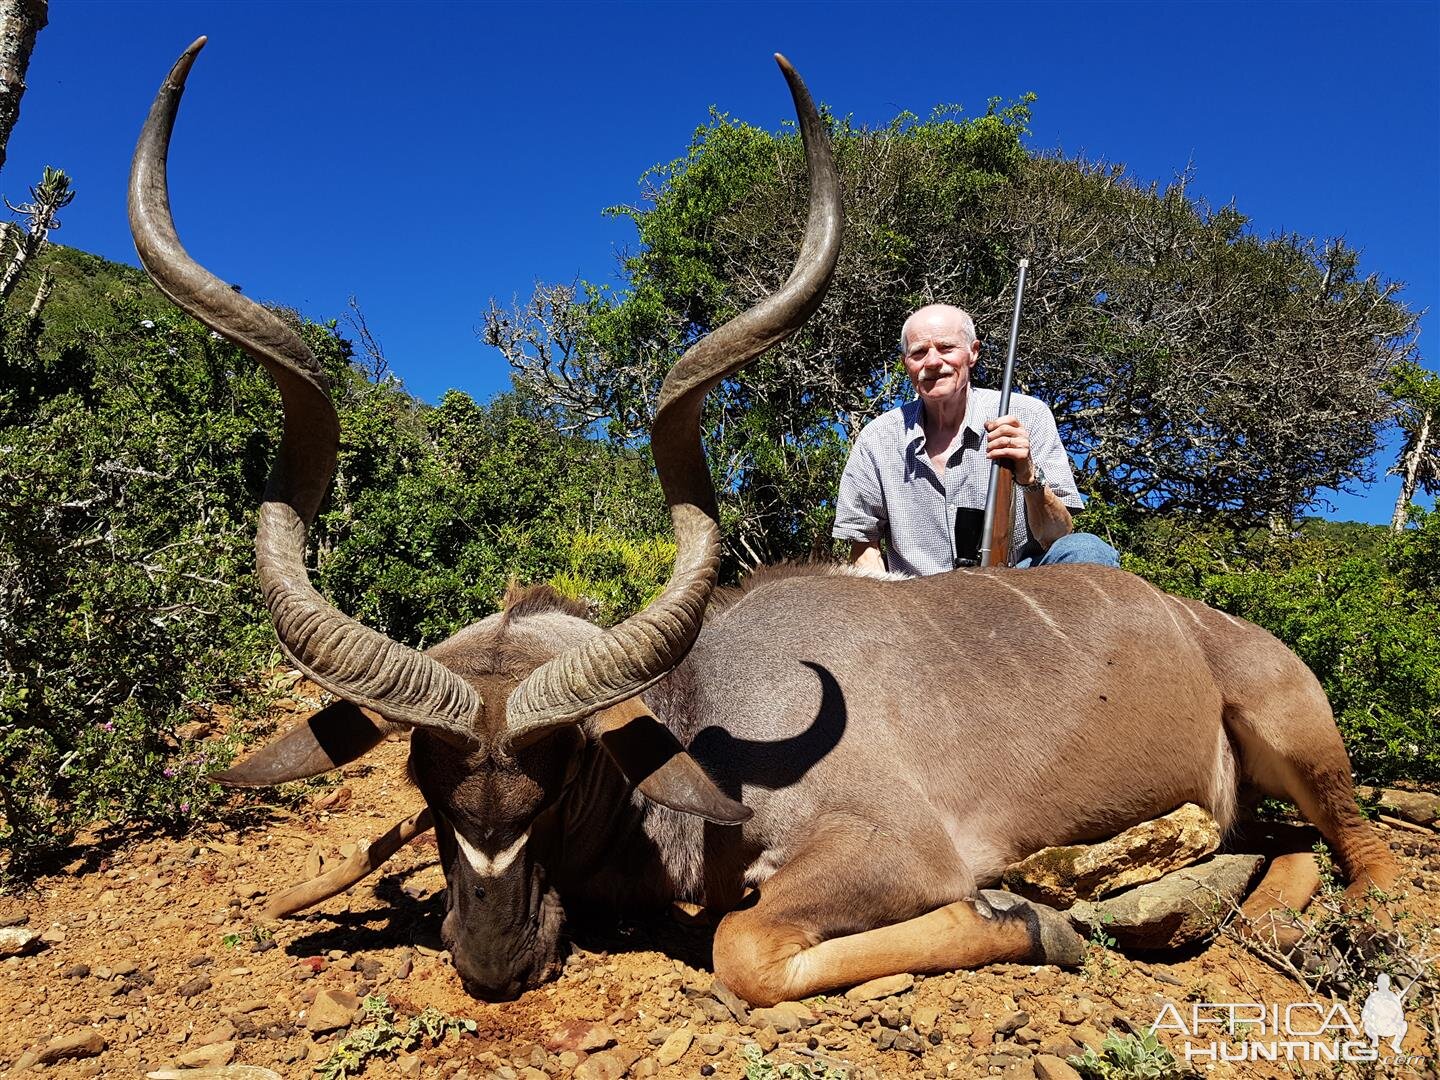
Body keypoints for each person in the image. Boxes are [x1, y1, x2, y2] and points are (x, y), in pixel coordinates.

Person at [833, 303, 1120, 577]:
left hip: (1019, 585)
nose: (933, 361)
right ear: (905, 363)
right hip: (923, 603)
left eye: (946, 348)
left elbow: (1057, 536)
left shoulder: (1028, 415)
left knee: (1086, 550)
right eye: (919, 352)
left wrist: (1028, 476)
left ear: (973, 352)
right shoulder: (877, 439)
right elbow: (863, 545)